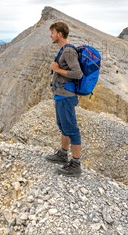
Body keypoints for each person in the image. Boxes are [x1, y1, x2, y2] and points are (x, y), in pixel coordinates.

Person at [46, 21, 84, 176]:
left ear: (60, 34)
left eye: (53, 33)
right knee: (63, 125)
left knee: (72, 129)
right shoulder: (63, 50)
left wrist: (56, 69)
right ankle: (63, 154)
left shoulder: (68, 51)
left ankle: (75, 164)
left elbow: (78, 73)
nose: (51, 35)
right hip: (60, 94)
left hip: (66, 96)